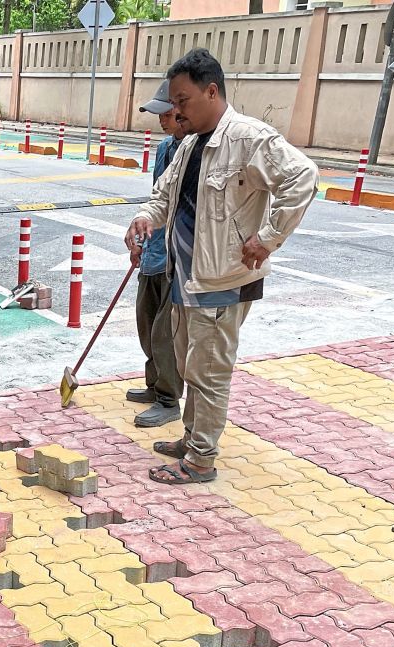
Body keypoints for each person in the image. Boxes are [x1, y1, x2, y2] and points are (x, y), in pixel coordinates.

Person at [124, 49, 318, 484]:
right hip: (186, 276)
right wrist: (146, 218)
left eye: (182, 101)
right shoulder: (190, 143)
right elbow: (165, 195)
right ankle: (194, 437)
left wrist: (267, 238)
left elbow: (303, 177)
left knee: (210, 372)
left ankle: (200, 460)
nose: (175, 111)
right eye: (172, 103)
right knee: (191, 365)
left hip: (223, 280)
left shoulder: (251, 138)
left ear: (212, 91)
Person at [127, 80, 187, 429]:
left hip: (175, 258)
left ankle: (169, 398)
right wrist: (141, 235)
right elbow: (156, 199)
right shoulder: (165, 148)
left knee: (166, 331)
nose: (161, 120)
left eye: (166, 113)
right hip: (153, 250)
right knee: (146, 323)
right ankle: (154, 384)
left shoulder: (195, 150)